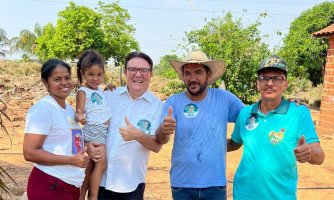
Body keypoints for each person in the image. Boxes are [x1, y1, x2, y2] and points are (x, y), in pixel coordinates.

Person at [227, 55, 325, 199]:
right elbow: (235, 143)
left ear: (286, 84)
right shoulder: (245, 113)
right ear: (257, 84)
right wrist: (207, 143)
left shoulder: (298, 113)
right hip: (243, 193)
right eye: (264, 78)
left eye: (277, 78)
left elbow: (320, 156)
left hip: (280, 196)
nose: (270, 83)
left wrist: (309, 152)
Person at [156, 50, 244, 200]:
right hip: (182, 184)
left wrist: (236, 141)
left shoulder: (224, 98)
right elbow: (160, 138)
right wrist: (164, 129)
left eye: (198, 72)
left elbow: (249, 117)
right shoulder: (173, 102)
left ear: (208, 75)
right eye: (187, 74)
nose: (192, 78)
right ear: (183, 76)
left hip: (215, 184)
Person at [88, 51, 176, 200]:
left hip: (132, 184)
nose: (138, 74)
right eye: (133, 69)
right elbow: (92, 126)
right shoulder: (109, 95)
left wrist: (137, 135)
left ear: (151, 74)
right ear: (125, 72)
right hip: (101, 182)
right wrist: (89, 145)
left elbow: (156, 146)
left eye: (144, 70)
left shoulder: (157, 106)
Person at [23, 59, 90, 200]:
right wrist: (71, 160)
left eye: (67, 78)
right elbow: (30, 153)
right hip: (50, 185)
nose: (64, 82)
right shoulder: (43, 109)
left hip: (70, 184)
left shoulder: (70, 110)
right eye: (57, 79)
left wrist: (89, 148)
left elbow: (70, 145)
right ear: (45, 83)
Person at [75, 49, 112, 200]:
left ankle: (81, 195)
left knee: (90, 167)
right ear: (83, 74)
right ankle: (94, 197)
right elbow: (79, 111)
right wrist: (80, 117)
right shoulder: (82, 91)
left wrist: (108, 88)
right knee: (101, 165)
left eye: (99, 75)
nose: (95, 78)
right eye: (91, 74)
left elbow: (99, 104)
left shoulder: (98, 90)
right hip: (94, 130)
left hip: (101, 131)